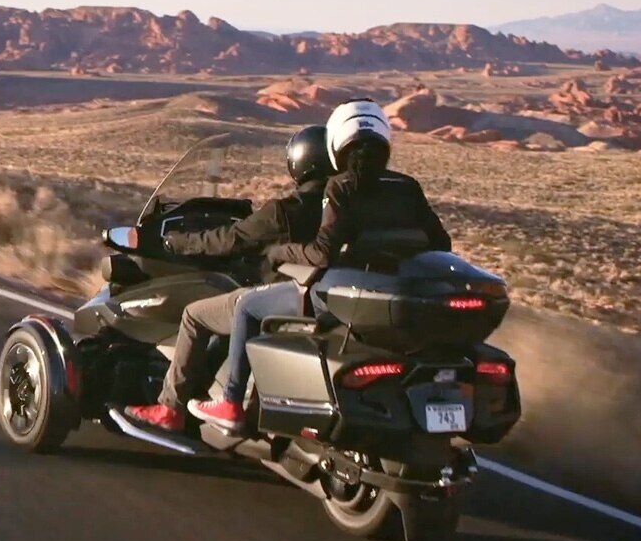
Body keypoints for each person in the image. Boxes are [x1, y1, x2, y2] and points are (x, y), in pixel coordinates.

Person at [187, 98, 452, 433]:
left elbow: (322, 253)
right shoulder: (407, 187)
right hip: (396, 293)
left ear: (336, 144)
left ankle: (231, 402)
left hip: (343, 293)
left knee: (247, 307)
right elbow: (442, 244)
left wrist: (281, 252)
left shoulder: (340, 187)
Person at [123, 125, 334, 432]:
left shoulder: (283, 212)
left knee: (195, 315)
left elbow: (227, 240)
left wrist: (176, 243)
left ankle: (170, 407)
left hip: (276, 297)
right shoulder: (342, 208)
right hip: (321, 297)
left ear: (299, 162)